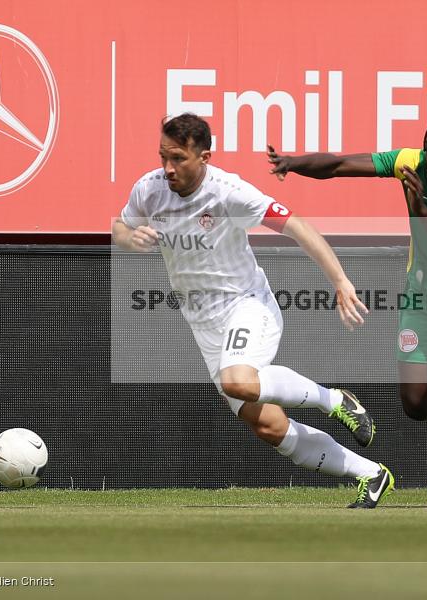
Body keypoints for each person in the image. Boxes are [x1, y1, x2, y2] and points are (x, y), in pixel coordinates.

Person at [113, 113, 394, 508]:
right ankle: (372, 474)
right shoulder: (149, 189)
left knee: (239, 381)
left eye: (177, 158)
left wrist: (341, 281)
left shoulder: (230, 193)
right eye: (162, 156)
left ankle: (333, 400)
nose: (167, 167)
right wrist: (132, 236)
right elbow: (119, 228)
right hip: (203, 323)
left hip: (246, 305)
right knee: (268, 425)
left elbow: (298, 226)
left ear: (204, 157)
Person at [267, 114, 427, 509]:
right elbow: (343, 165)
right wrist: (294, 164)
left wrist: (422, 211)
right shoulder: (410, 163)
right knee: (416, 404)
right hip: (424, 293)